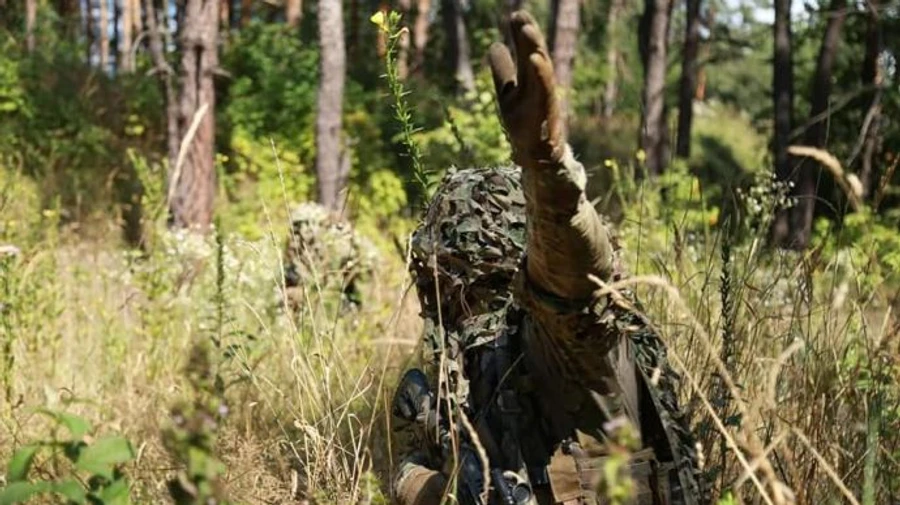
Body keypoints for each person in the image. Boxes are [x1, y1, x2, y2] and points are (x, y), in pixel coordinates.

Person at [391, 11, 704, 505]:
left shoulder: (559, 340)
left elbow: (576, 285)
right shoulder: (464, 367)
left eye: (455, 281)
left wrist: (546, 169)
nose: (446, 299)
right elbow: (423, 468)